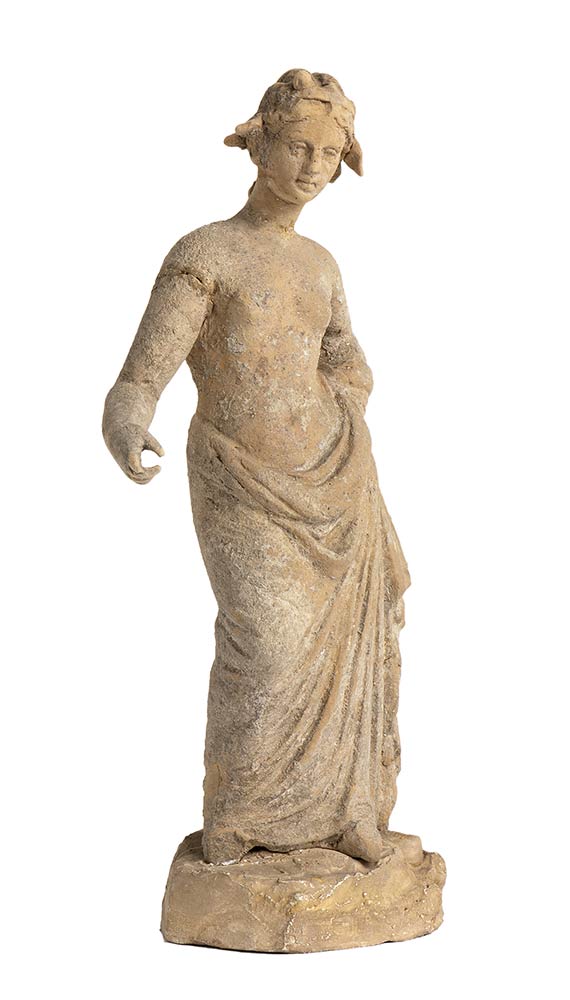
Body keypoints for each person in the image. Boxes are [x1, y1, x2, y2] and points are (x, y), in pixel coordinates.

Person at [103, 69, 414, 865]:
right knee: (266, 642)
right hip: (239, 478)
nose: (313, 166)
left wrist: (341, 410)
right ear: (260, 144)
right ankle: (238, 815)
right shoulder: (207, 252)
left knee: (347, 645)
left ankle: (348, 812)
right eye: (300, 146)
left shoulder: (321, 265)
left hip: (334, 479)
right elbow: (144, 371)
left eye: (329, 154)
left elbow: (346, 360)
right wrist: (127, 418)